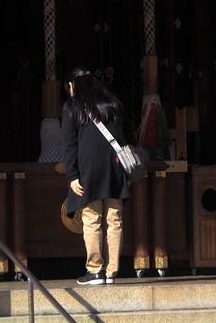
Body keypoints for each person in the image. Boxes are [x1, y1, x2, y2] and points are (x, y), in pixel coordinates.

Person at [61, 67, 129, 285]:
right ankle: (112, 271)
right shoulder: (111, 104)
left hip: (88, 169)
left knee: (92, 219)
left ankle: (95, 270)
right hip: (115, 167)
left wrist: (72, 175)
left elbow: (70, 145)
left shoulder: (72, 107)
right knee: (114, 219)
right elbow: (121, 135)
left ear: (73, 87)